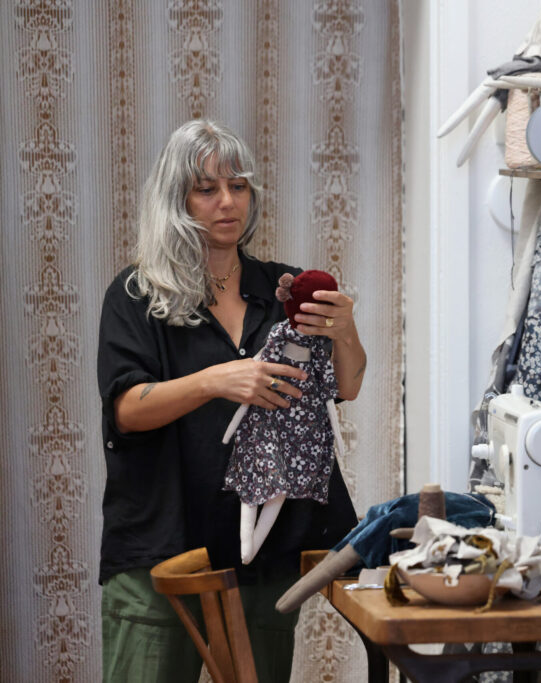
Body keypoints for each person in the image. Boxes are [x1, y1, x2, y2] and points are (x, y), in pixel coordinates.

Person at [96, 118, 365, 683]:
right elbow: (126, 408)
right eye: (207, 188)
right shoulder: (136, 294)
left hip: (262, 552)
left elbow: (346, 386)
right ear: (177, 198)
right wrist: (217, 380)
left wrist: (345, 332)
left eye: (238, 186)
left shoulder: (285, 290)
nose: (227, 202)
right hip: (160, 546)